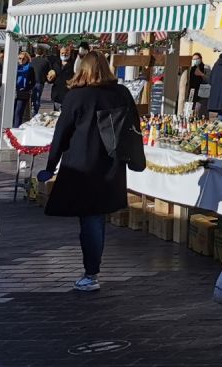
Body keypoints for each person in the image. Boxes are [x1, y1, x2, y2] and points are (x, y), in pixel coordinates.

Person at [39, 51, 141, 293]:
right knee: (96, 216)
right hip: (111, 164)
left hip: (83, 164)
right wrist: (137, 160)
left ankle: (91, 272)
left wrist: (50, 165)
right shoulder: (121, 93)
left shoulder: (78, 96)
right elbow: (134, 127)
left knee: (91, 218)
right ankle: (91, 272)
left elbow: (61, 133)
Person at [12, 51, 36, 125]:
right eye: (19, 58)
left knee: (18, 112)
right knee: (12, 111)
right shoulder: (14, 68)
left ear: (27, 59)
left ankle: (16, 128)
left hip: (23, 92)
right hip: (14, 91)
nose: (21, 60)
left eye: (23, 59)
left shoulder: (30, 68)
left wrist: (27, 88)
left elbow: (33, 81)